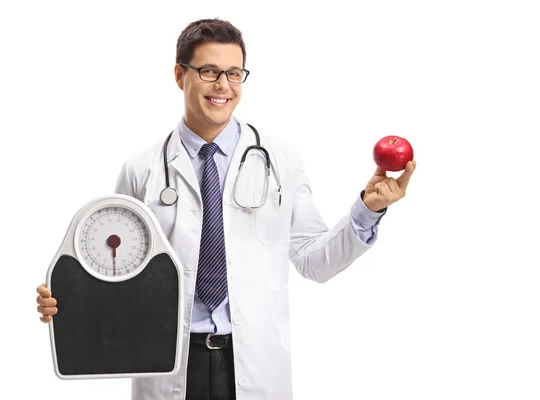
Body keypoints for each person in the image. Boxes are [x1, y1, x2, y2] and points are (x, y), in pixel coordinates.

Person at [36, 18, 416, 400]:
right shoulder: (142, 170)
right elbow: (120, 273)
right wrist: (70, 300)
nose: (223, 86)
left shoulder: (281, 160)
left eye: (234, 73)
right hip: (170, 361)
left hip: (253, 362)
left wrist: (368, 209)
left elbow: (314, 261)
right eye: (208, 71)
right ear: (179, 75)